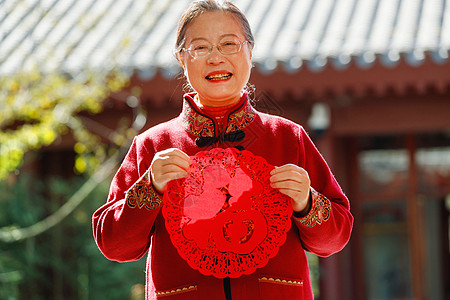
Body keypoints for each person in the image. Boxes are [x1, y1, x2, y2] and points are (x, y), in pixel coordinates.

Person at [92, 1, 353, 299]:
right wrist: (150, 187)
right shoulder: (153, 146)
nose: (216, 58)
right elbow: (114, 245)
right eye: (200, 48)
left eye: (229, 44)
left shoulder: (287, 137)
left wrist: (307, 201)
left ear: (250, 53)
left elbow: (335, 238)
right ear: (181, 58)